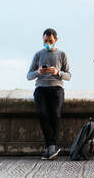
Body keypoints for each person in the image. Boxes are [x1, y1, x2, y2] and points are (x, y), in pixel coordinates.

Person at [27, 28, 71, 160]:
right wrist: (38, 72)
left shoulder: (62, 54)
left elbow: (68, 75)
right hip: (41, 87)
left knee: (55, 114)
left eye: (50, 41)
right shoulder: (38, 55)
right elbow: (29, 76)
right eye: (45, 41)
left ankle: (50, 146)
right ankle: (51, 146)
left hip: (57, 88)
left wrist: (57, 72)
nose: (47, 43)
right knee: (42, 113)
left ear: (55, 40)